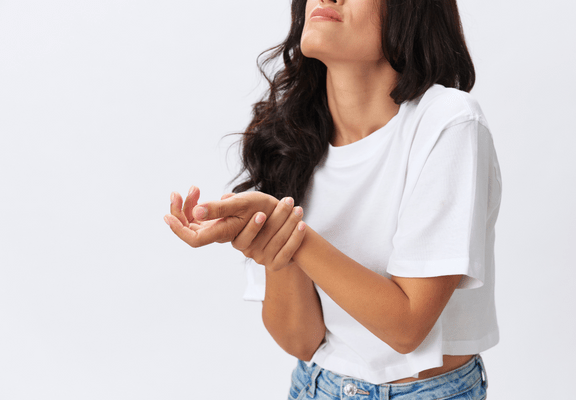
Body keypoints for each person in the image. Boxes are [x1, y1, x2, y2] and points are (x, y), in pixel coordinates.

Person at [164, 0, 502, 398]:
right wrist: (274, 239)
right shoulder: (288, 138)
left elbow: (408, 327)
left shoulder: (447, 122)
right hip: (314, 385)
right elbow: (300, 341)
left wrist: (289, 230)